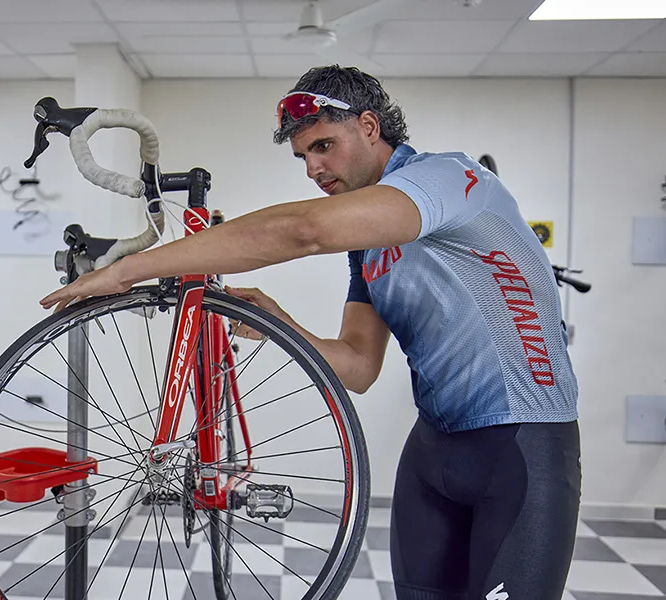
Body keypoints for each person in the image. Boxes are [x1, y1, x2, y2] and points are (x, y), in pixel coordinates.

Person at [40, 65, 581, 600]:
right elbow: (357, 366)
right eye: (303, 157)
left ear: (370, 126)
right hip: (434, 453)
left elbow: (302, 230)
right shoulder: (368, 245)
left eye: (324, 146)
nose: (313, 169)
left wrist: (123, 271)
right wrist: (281, 324)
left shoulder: (451, 179)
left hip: (520, 445)